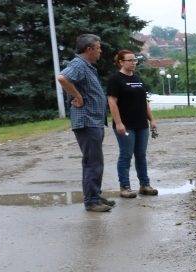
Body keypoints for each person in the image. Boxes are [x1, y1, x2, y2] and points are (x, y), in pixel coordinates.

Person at [58, 34, 115, 212]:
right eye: (98, 48)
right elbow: (62, 78)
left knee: (94, 161)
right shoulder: (79, 64)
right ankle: (92, 201)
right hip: (87, 120)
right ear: (89, 49)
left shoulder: (87, 66)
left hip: (93, 121)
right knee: (93, 162)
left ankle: (94, 195)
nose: (100, 51)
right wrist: (77, 96)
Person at [107, 50, 158, 198]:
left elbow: (144, 101)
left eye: (134, 60)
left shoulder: (137, 78)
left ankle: (145, 185)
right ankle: (125, 187)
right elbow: (112, 102)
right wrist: (118, 123)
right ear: (121, 62)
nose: (133, 63)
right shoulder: (115, 79)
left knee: (141, 155)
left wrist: (152, 119)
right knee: (126, 155)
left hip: (141, 124)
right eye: (130, 60)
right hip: (125, 124)